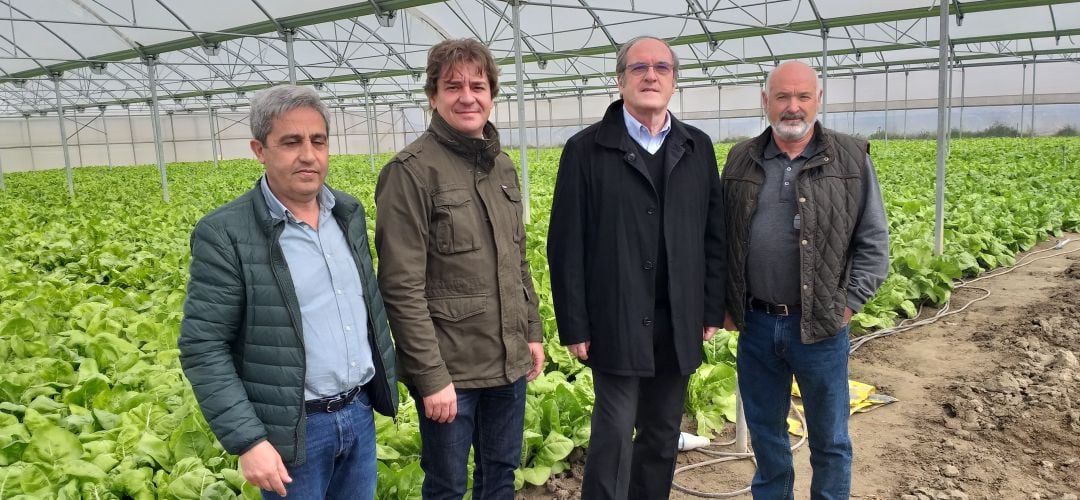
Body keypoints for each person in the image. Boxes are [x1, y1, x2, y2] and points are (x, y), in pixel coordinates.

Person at [178, 84, 398, 500]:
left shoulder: (346, 214)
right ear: (259, 150)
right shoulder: (226, 233)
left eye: (318, 140)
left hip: (358, 415)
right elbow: (202, 345)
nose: (308, 155)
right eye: (291, 142)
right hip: (293, 432)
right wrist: (248, 441)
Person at [546, 36, 727, 500]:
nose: (651, 75)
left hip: (677, 318)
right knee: (613, 435)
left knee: (662, 434)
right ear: (620, 79)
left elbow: (713, 235)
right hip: (615, 317)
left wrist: (710, 309)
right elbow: (566, 244)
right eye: (640, 67)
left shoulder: (697, 147)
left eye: (662, 68)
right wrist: (574, 323)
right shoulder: (586, 150)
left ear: (673, 81)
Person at [374, 38, 544, 500]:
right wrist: (432, 378)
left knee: (501, 473)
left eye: (478, 85)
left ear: (492, 93)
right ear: (433, 96)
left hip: (507, 362)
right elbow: (400, 286)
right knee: (447, 485)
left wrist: (531, 331)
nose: (467, 96)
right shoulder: (410, 172)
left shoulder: (502, 166)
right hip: (452, 372)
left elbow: (517, 259)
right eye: (453, 86)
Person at [719, 60, 890, 499]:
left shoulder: (851, 157)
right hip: (756, 325)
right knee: (767, 436)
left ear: (818, 100)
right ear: (765, 103)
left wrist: (847, 304)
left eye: (802, 97)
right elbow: (720, 236)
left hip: (820, 326)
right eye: (782, 97)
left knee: (830, 440)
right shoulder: (741, 158)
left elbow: (873, 242)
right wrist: (725, 300)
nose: (792, 107)